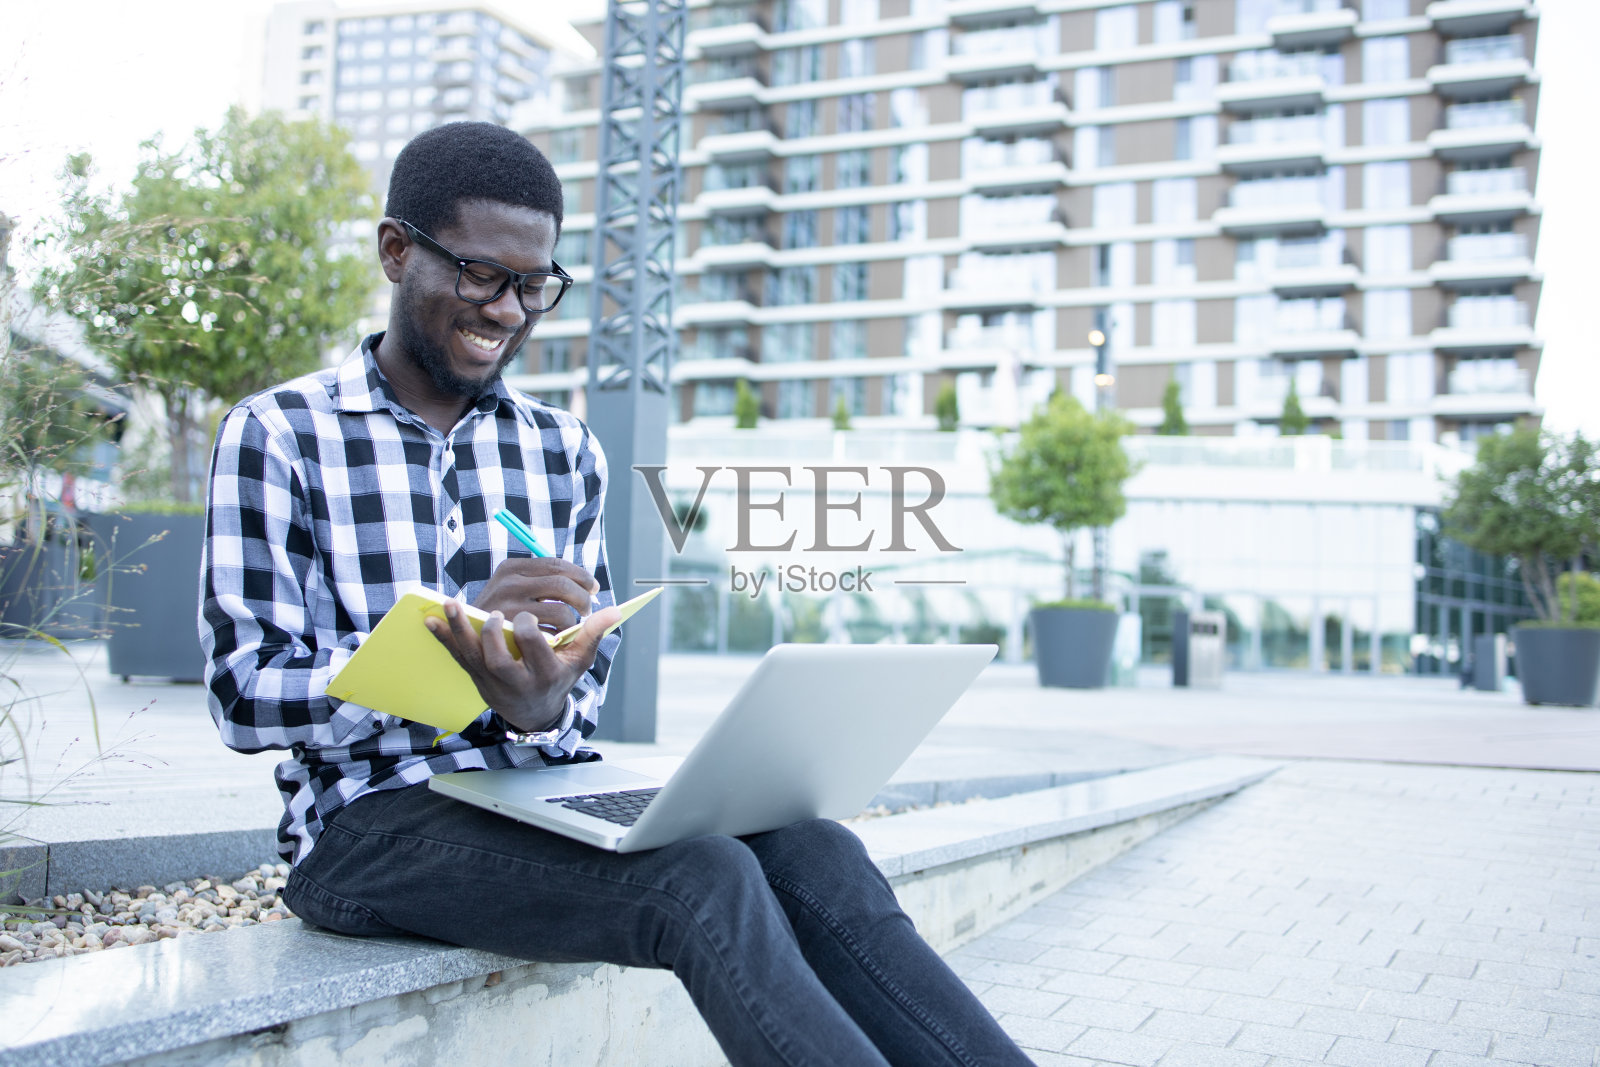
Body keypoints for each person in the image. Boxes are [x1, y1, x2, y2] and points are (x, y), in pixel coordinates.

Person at [200, 122, 1034, 1067]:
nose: (509, 310)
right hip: (365, 823)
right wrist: (444, 660)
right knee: (703, 877)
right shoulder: (278, 434)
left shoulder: (563, 451)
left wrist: (536, 699)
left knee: (817, 850)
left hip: (542, 791)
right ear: (397, 251)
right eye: (482, 275)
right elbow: (241, 692)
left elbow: (577, 688)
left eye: (534, 285)